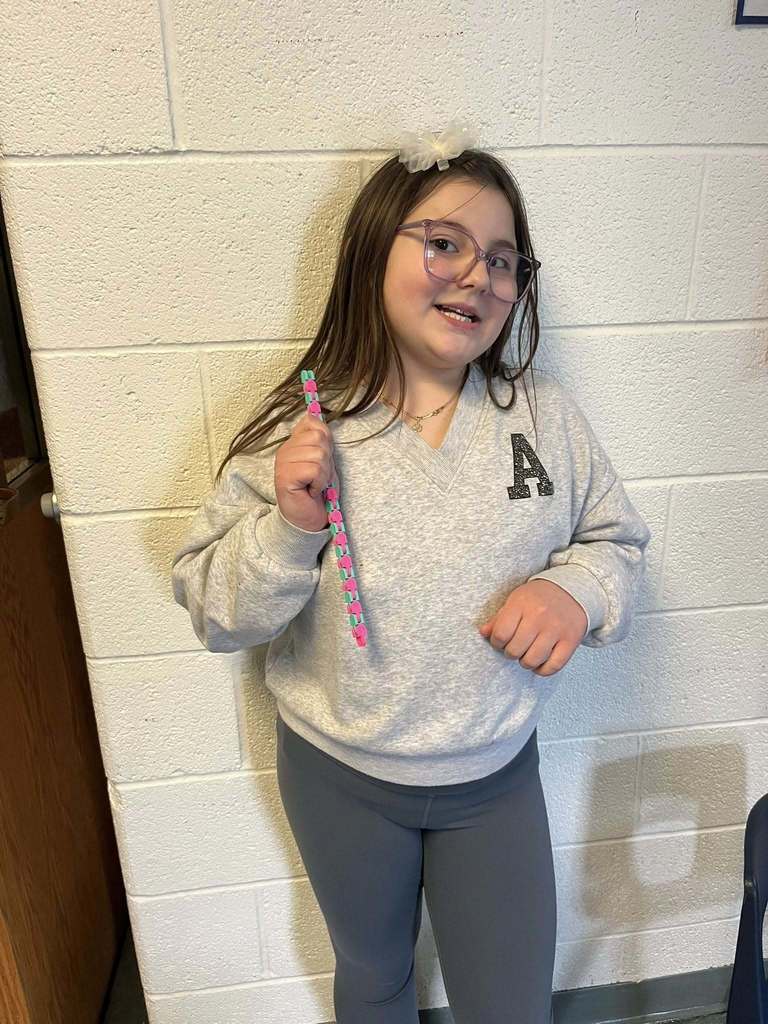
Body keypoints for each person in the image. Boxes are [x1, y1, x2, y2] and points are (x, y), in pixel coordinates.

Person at [170, 120, 652, 1024]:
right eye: (445, 244)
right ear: (369, 250)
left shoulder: (544, 417)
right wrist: (289, 529)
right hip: (338, 778)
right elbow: (211, 607)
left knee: (510, 1004)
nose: (479, 275)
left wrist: (575, 592)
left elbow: (618, 543)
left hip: (495, 782)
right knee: (375, 977)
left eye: (505, 261)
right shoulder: (300, 428)